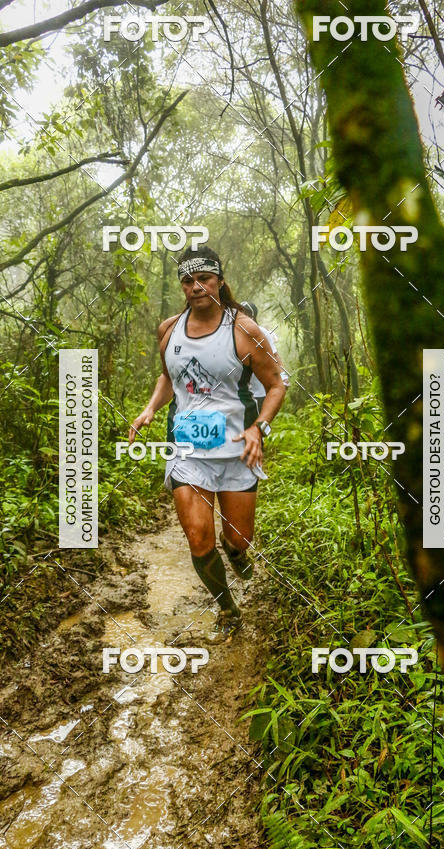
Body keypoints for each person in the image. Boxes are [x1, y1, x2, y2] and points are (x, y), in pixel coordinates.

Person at [129, 246, 287, 637]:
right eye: (188, 280)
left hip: (236, 449)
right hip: (188, 449)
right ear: (181, 285)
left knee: (237, 537)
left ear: (218, 279)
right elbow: (168, 377)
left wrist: (259, 428)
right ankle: (227, 609)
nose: (196, 287)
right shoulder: (169, 329)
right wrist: (150, 408)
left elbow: (275, 385)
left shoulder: (245, 330)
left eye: (204, 279)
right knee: (198, 538)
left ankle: (235, 552)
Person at [239, 301, 290, 412]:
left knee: (260, 425)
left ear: (252, 316)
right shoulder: (233, 335)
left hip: (260, 391)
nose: (242, 316)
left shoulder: (262, 333)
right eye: (239, 313)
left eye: (245, 313)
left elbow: (275, 356)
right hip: (240, 393)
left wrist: (283, 376)